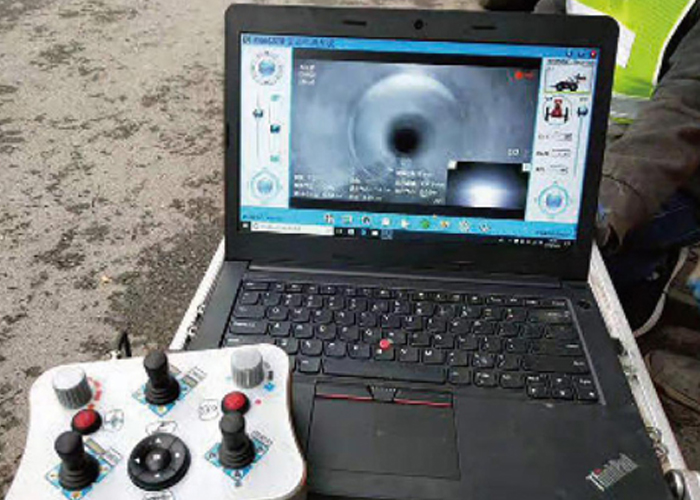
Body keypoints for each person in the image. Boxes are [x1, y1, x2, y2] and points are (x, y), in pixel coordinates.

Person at [482, 0, 700, 411]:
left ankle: (646, 275)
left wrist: (593, 212)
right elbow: (538, 40)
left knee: (579, 253)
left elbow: (681, 116)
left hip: (675, 171)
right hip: (585, 137)